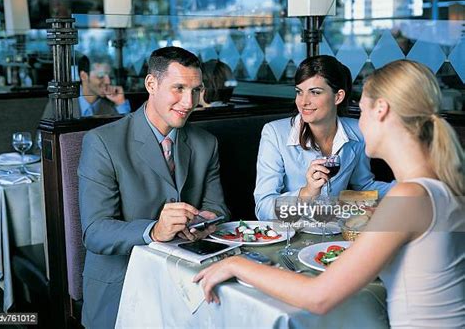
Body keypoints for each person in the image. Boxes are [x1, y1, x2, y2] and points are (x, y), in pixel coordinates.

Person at [194, 60, 465, 327]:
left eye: (362, 108)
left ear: (380, 110)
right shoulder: (442, 185)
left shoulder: (408, 199)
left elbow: (319, 297)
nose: (358, 120)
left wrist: (237, 265)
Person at [78, 46, 230, 328]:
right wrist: (154, 230)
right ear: (151, 84)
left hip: (189, 285)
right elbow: (95, 231)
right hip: (122, 288)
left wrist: (208, 220)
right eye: (179, 88)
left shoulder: (206, 143)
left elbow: (216, 207)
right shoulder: (102, 142)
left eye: (196, 90)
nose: (189, 101)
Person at [255, 55, 393, 220]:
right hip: (292, 235)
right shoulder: (275, 133)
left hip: (336, 231)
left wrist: (414, 184)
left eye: (315, 92)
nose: (303, 101)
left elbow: (363, 187)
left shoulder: (358, 131)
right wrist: (307, 193)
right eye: (299, 92)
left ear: (338, 97)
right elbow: (263, 208)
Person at [42, 54, 131, 118]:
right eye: (100, 76)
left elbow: (129, 135)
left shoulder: (112, 105)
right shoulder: (60, 103)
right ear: (83, 76)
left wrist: (121, 103)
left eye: (109, 76)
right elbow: (42, 140)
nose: (108, 81)